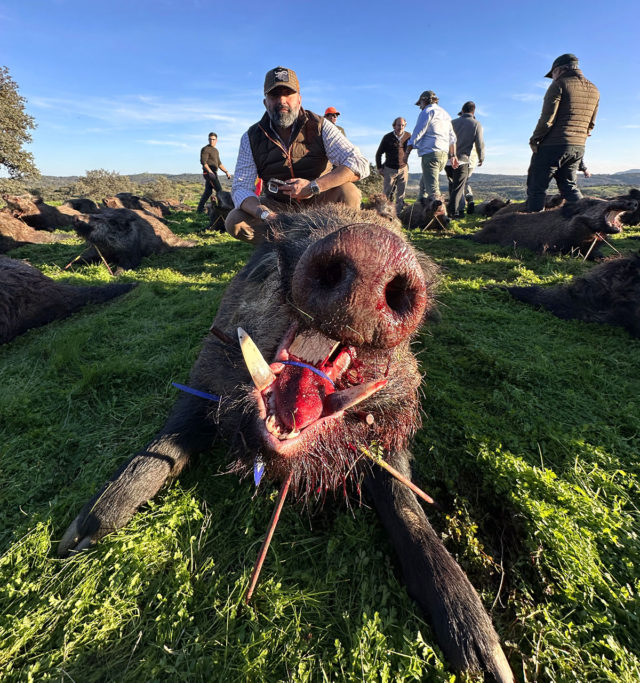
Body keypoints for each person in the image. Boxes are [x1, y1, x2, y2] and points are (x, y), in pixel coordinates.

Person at [226, 67, 369, 243]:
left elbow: (359, 163)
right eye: (274, 95)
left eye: (288, 94)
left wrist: (313, 186)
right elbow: (241, 188)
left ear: (299, 100)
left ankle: (332, 242)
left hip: (321, 201)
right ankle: (283, 244)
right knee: (235, 221)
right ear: (265, 102)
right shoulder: (251, 137)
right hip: (278, 207)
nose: (281, 101)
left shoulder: (320, 126)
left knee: (349, 194)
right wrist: (266, 214)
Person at [525, 53, 599, 212]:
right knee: (569, 186)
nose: (552, 78)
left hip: (552, 145)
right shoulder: (594, 89)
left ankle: (534, 227)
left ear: (559, 70)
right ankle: (586, 221)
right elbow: (591, 123)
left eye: (553, 74)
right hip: (578, 147)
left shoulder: (559, 85)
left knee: (537, 188)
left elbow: (547, 119)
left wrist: (535, 139)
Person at [406, 90, 458, 204]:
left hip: (431, 153)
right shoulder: (445, 114)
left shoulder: (427, 111)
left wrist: (408, 150)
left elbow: (418, 132)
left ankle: (440, 218)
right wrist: (453, 155)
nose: (420, 107)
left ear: (425, 100)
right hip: (443, 154)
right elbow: (452, 137)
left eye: (420, 103)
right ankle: (419, 207)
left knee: (433, 191)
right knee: (425, 184)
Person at [445, 101, 485, 218]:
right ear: (473, 111)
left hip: (448, 159)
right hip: (462, 159)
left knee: (452, 186)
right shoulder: (476, 124)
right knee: (458, 188)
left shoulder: (452, 122)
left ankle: (453, 211)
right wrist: (481, 157)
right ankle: (453, 213)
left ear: (462, 110)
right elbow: (479, 143)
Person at [375, 118, 411, 214]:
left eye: (403, 125)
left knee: (401, 193)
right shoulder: (387, 137)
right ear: (394, 126)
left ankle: (398, 214)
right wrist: (379, 168)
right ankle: (383, 213)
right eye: (398, 125)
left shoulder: (408, 136)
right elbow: (379, 154)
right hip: (389, 169)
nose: (400, 127)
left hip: (403, 168)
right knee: (386, 193)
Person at [196, 132, 231, 214]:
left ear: (216, 140)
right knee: (219, 190)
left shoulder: (215, 150)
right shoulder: (205, 149)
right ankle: (222, 210)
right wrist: (210, 172)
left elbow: (219, 163)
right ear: (208, 139)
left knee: (208, 192)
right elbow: (203, 162)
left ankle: (199, 210)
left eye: (213, 139)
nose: (211, 141)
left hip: (213, 173)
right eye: (210, 139)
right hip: (208, 173)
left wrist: (226, 172)